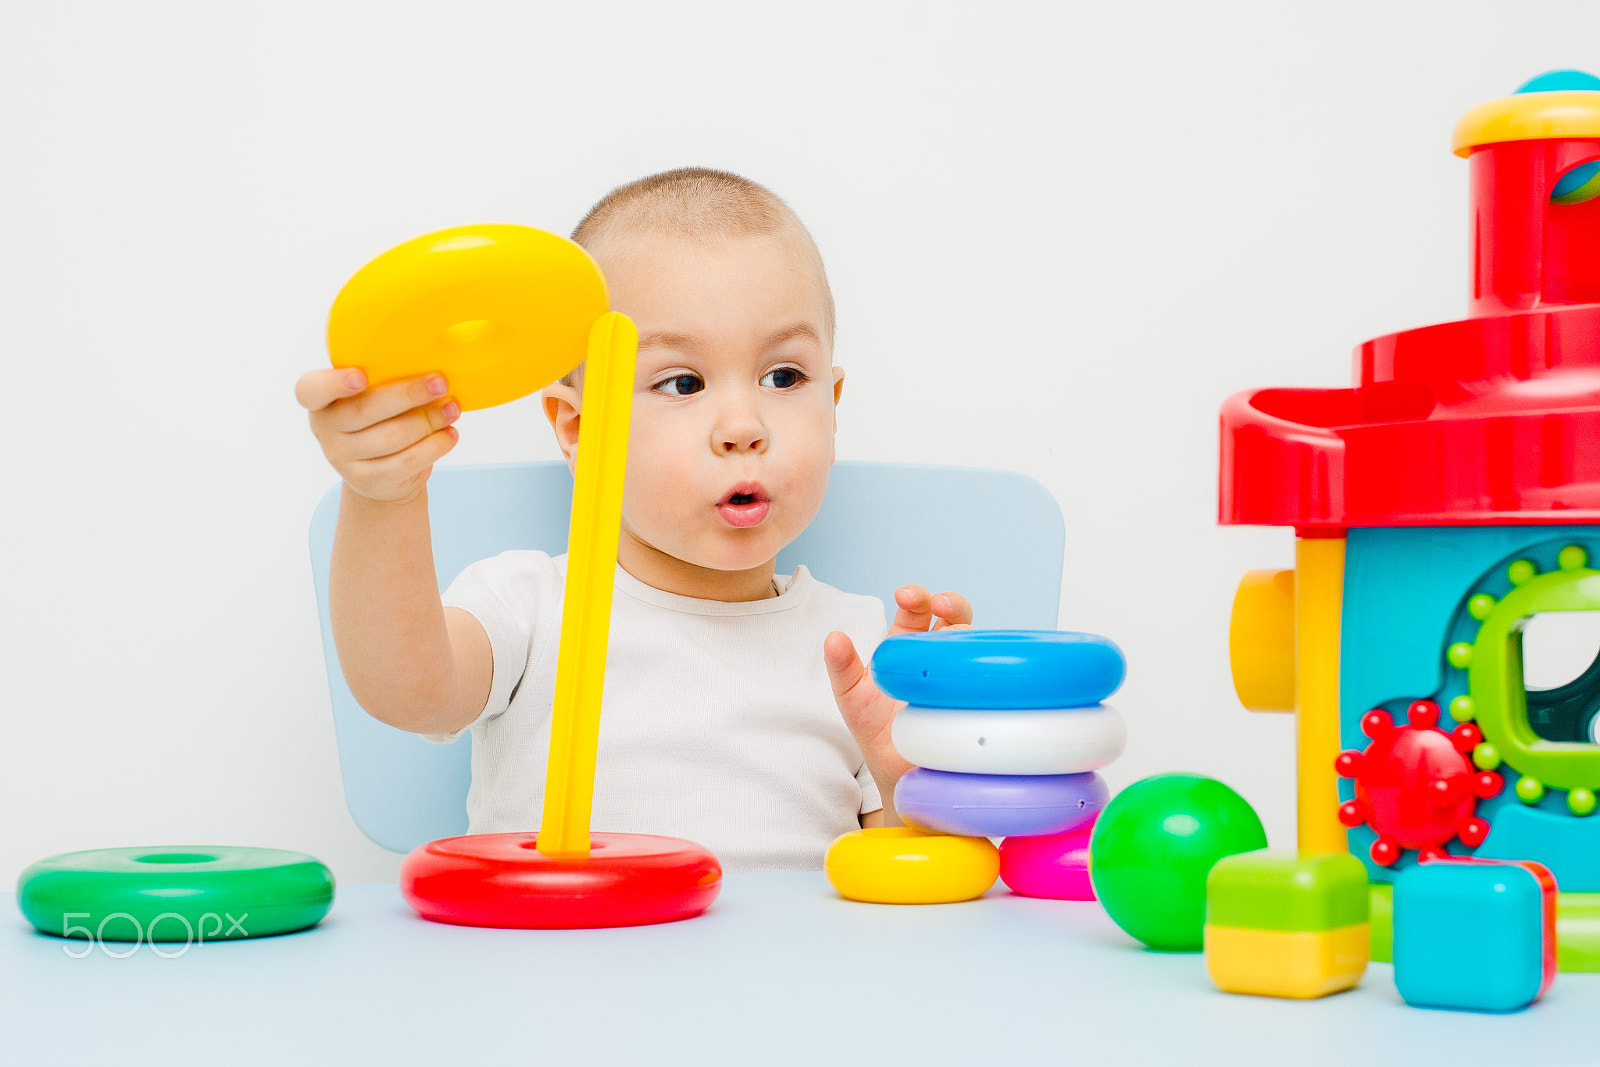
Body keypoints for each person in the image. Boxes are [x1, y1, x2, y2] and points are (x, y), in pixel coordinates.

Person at [294, 168, 972, 871]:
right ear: (578, 428)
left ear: (833, 406)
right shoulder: (527, 605)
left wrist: (911, 779)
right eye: (682, 382)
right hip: (566, 970)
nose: (743, 426)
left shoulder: (861, 651)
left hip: (784, 978)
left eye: (784, 377)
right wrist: (384, 496)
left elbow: (898, 882)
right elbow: (407, 690)